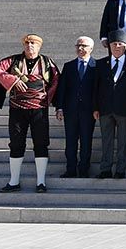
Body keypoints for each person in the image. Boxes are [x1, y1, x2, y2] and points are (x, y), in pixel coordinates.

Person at [0, 34, 61, 193]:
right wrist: (12, 80)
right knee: (16, 144)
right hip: (17, 109)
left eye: (33, 43)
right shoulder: (12, 61)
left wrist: (51, 101)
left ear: (39, 46)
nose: (30, 45)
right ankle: (14, 181)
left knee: (41, 143)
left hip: (39, 109)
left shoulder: (48, 63)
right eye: (27, 43)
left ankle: (41, 182)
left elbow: (56, 82)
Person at [93, 29, 126, 179]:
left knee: (124, 141)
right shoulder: (101, 64)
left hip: (125, 109)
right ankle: (105, 168)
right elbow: (96, 88)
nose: (117, 46)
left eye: (120, 44)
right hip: (105, 108)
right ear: (109, 46)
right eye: (114, 44)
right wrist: (95, 107)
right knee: (106, 140)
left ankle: (120, 169)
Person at [54, 36, 97, 178]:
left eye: (84, 45)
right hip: (71, 110)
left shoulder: (96, 66)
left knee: (86, 141)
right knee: (70, 141)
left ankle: (84, 169)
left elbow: (99, 90)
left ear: (91, 48)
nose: (80, 48)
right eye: (78, 45)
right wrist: (59, 107)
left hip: (88, 111)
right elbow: (62, 88)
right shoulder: (69, 66)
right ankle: (70, 169)